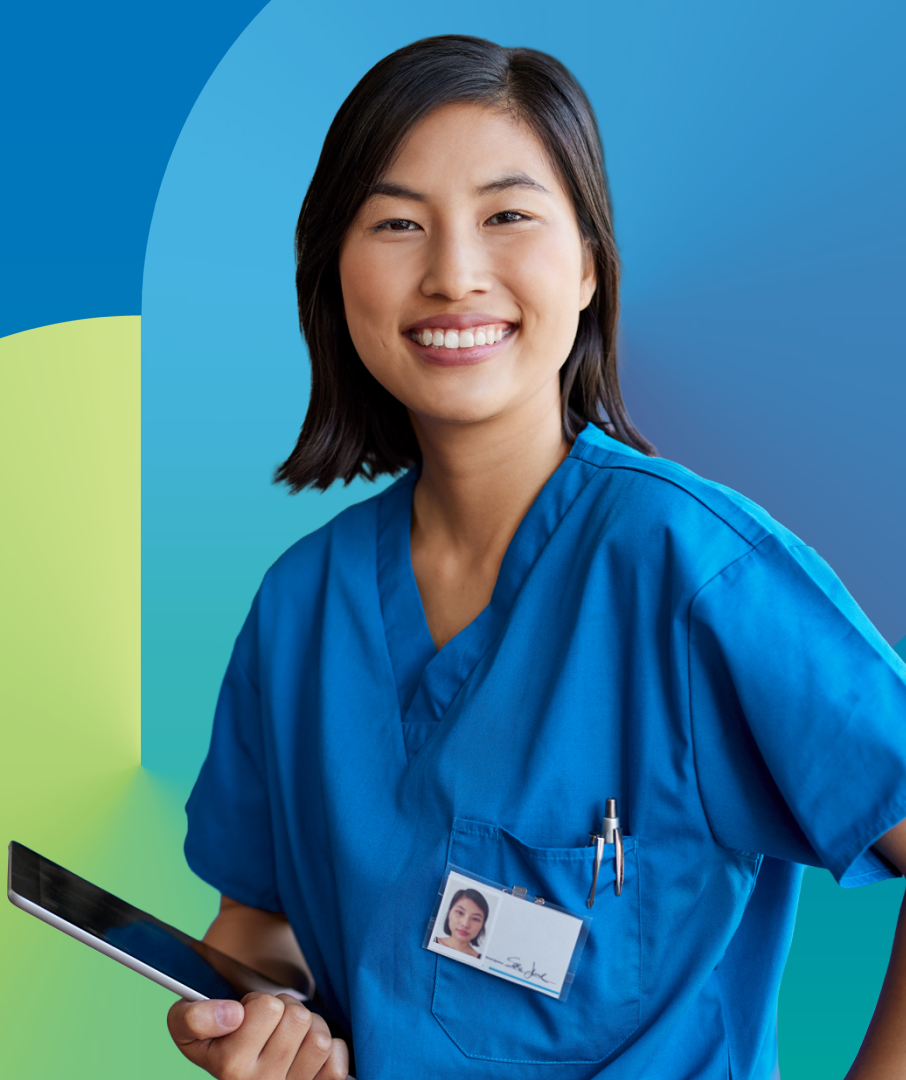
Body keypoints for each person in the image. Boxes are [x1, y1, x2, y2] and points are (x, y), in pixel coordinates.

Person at [165, 35, 906, 1080]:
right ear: (334, 273)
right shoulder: (301, 609)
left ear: (591, 265)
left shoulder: (692, 570)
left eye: (508, 215)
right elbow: (256, 927)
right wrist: (261, 1028)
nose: (453, 273)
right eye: (395, 223)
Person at [434, 889, 490, 958]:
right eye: (460, 912)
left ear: (482, 925)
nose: (465, 924)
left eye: (475, 918)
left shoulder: (482, 961)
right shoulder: (432, 941)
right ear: (449, 913)